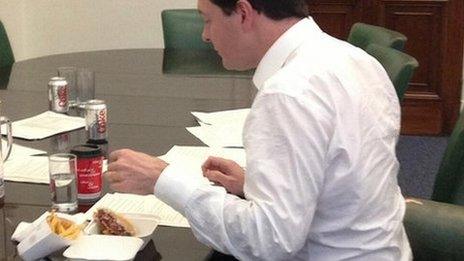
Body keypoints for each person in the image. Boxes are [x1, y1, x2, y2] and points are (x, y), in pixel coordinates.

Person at [105, 0, 412, 260]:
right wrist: (254, 184)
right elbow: (344, 177)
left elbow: (269, 242)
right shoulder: (355, 59)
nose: (205, 36)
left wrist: (162, 179)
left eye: (208, 20)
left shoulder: (289, 92)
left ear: (243, 13)